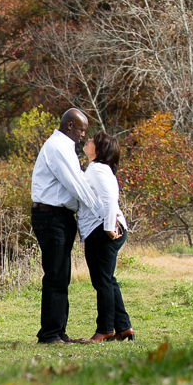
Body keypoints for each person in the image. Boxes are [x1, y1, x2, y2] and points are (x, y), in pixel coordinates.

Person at [31, 108, 104, 344]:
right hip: (51, 216)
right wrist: (102, 213)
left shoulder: (64, 147)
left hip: (59, 217)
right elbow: (77, 186)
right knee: (55, 276)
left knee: (62, 276)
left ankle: (58, 332)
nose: (84, 134)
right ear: (70, 126)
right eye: (82, 129)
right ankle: (50, 334)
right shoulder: (58, 147)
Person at [78, 130, 134, 342]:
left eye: (93, 141)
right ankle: (123, 327)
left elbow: (110, 200)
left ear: (99, 150)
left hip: (103, 230)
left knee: (102, 281)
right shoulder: (98, 169)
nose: (88, 141)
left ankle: (104, 330)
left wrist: (109, 228)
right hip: (103, 228)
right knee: (107, 280)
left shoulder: (98, 169)